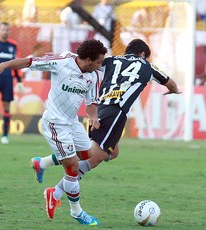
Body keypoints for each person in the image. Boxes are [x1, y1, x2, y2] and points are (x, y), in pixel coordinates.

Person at [30, 39, 181, 220]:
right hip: (116, 112)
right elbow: (171, 84)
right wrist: (173, 90)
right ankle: (54, 193)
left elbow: (89, 66)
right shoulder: (148, 66)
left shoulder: (110, 60)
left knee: (112, 152)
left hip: (101, 108)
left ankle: (43, 163)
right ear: (143, 54)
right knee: (93, 157)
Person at [0, 39, 107, 225]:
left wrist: (93, 117)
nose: (101, 65)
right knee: (73, 168)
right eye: (99, 62)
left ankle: (41, 162)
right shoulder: (62, 62)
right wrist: (3, 65)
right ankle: (75, 211)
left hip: (72, 123)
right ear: (89, 59)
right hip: (55, 124)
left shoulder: (93, 75)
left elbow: (91, 101)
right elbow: (29, 62)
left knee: (87, 154)